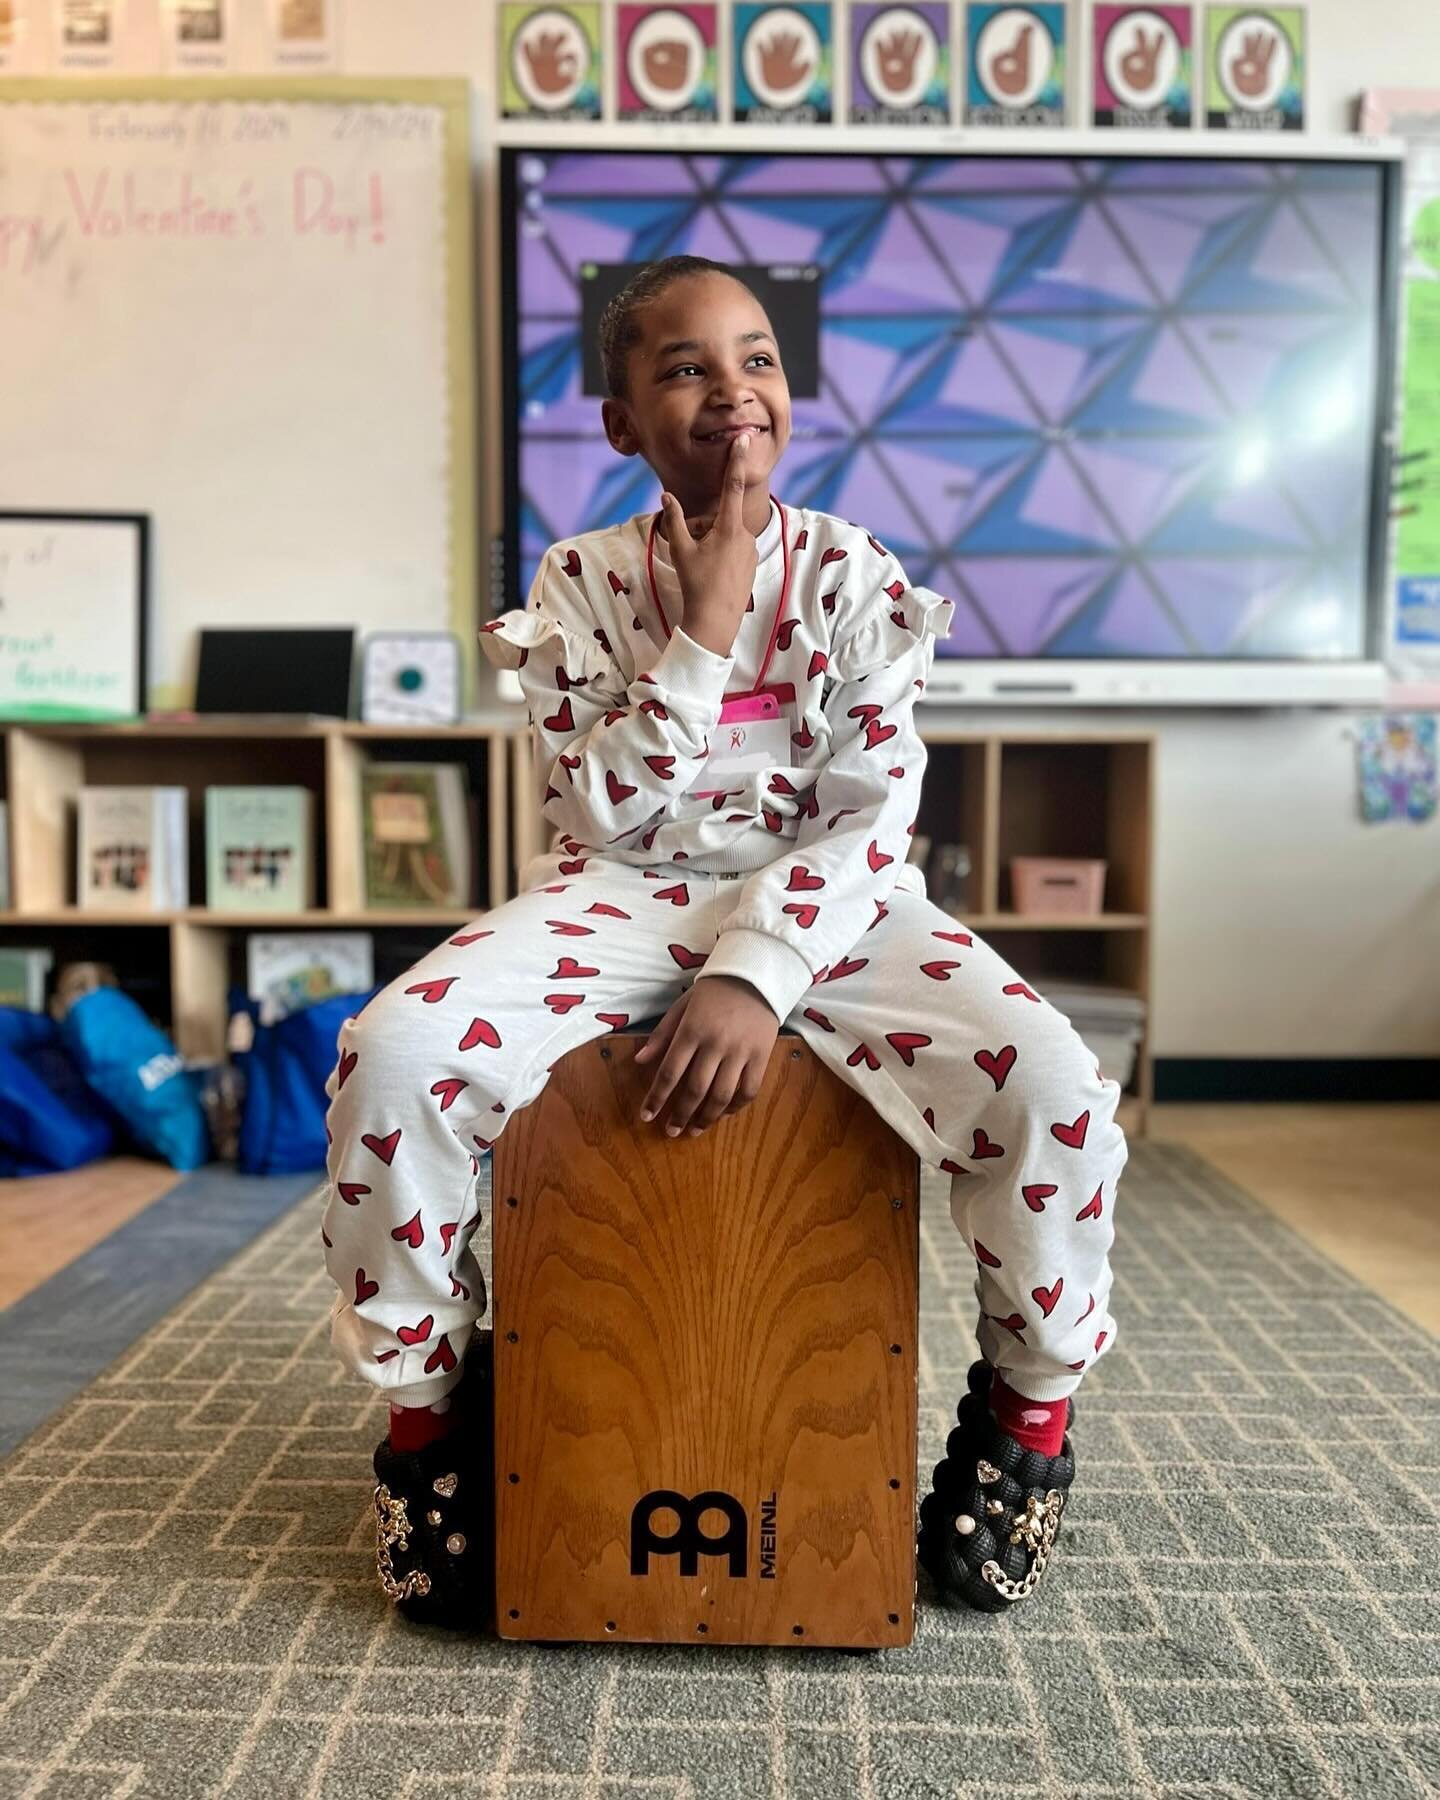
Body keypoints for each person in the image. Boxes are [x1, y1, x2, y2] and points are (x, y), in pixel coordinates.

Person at [321, 254, 1128, 1625]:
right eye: (684, 367)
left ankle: (1028, 1418)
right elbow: (602, 807)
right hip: (616, 897)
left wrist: (759, 973)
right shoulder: (578, 587)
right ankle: (428, 1424)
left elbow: (874, 822)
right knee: (392, 1058)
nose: (732, 391)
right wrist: (696, 637)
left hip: (837, 906)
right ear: (625, 420)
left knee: (1050, 1084)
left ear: (788, 393)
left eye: (755, 359)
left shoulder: (856, 574)